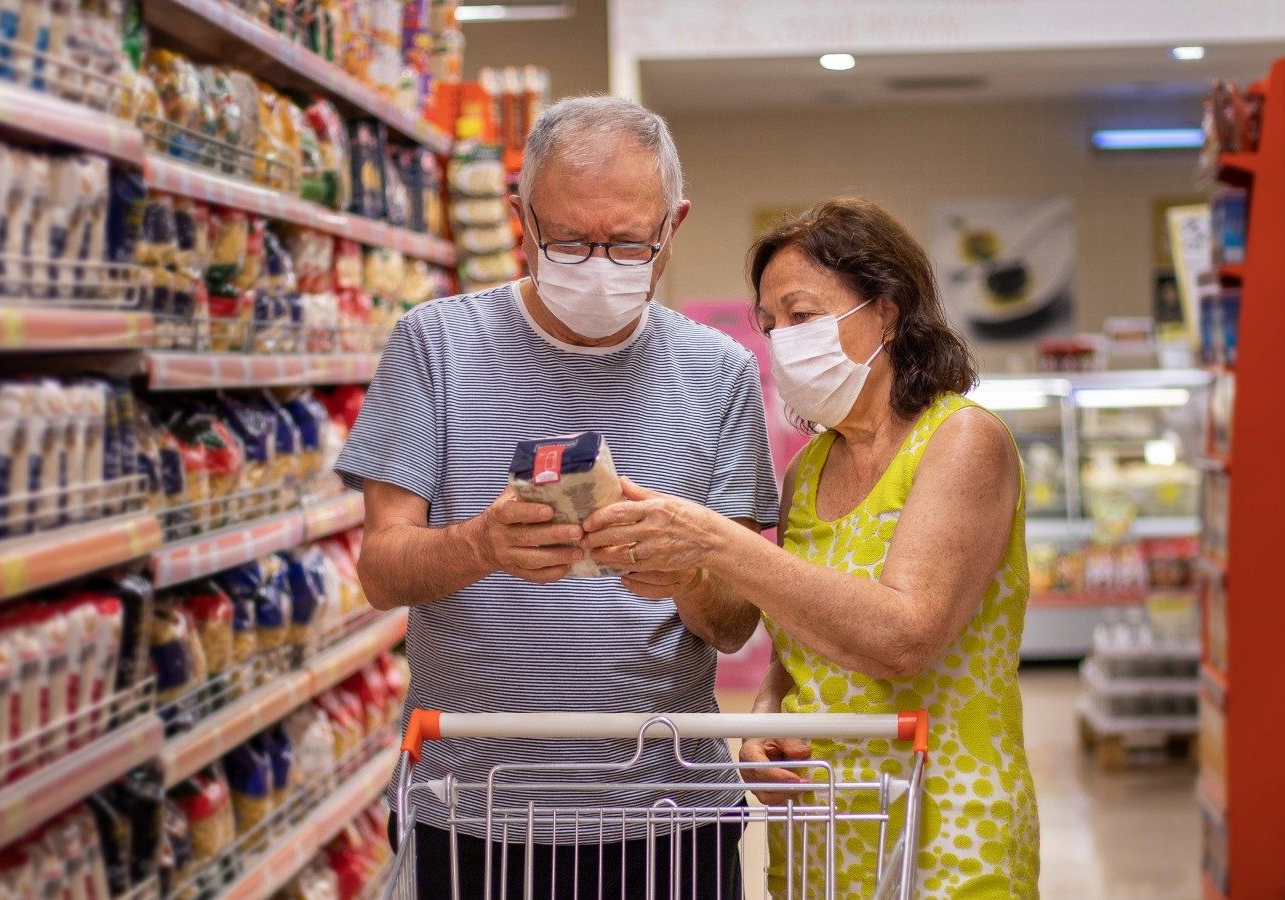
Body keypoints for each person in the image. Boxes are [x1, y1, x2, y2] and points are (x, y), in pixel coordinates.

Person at [336, 96, 778, 896]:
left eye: (629, 243)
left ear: (673, 226)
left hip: (669, 811)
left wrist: (683, 568)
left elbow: (735, 621)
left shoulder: (721, 373)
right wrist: (480, 546)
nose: (599, 264)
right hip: (471, 808)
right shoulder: (432, 346)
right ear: (521, 219)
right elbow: (381, 570)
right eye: (568, 240)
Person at [582, 197, 1040, 898]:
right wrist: (764, 726)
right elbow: (798, 650)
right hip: (821, 827)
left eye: (802, 316)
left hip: (942, 824)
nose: (782, 339)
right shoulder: (808, 471)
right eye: (770, 325)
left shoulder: (961, 441)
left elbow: (902, 635)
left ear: (886, 309)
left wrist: (717, 542)